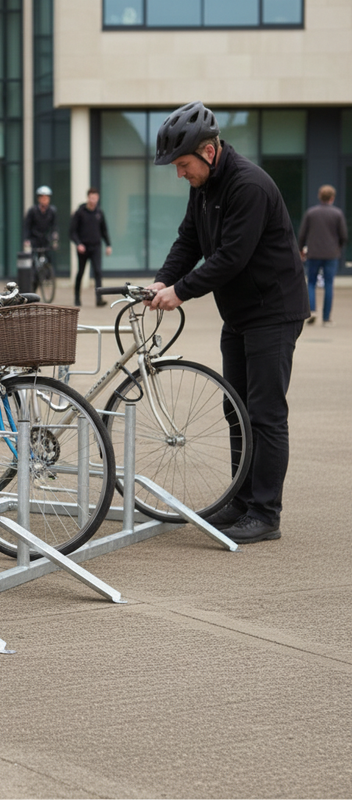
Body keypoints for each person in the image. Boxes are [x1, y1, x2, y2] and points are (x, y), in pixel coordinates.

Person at [146, 101, 310, 545]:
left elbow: (231, 257)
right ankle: (241, 499)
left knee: (265, 414)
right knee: (235, 409)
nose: (180, 174)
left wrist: (180, 292)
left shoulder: (248, 185)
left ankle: (265, 513)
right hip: (239, 314)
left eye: (182, 165)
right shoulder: (204, 187)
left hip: (273, 311)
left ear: (209, 151)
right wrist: (163, 279)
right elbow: (189, 241)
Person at [297, 184, 347, 327]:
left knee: (311, 282)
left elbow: (302, 234)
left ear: (320, 197)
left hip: (313, 253)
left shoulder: (311, 213)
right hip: (331, 254)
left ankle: (312, 310)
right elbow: (343, 235)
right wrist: (338, 248)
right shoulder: (337, 214)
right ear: (332, 198)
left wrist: (301, 249)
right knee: (329, 284)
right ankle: (326, 318)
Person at [69, 187, 112, 306]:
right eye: (91, 198)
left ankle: (99, 299)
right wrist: (78, 244)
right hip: (83, 248)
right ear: (88, 198)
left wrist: (108, 244)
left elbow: (104, 230)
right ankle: (77, 298)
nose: (93, 200)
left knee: (98, 272)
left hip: (96, 247)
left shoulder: (99, 213)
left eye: (95, 198)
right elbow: (72, 232)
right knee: (81, 272)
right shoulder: (80, 212)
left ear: (98, 198)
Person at [23, 185, 59, 253]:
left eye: (46, 198)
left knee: (48, 256)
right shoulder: (33, 211)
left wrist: (54, 239)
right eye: (42, 198)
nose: (44, 200)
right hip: (34, 239)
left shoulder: (52, 211)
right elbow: (27, 226)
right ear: (38, 199)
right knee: (32, 256)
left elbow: (54, 226)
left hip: (46, 239)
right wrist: (26, 239)